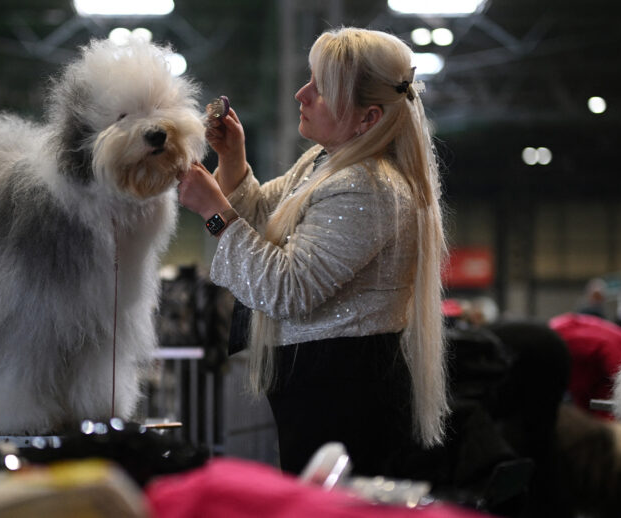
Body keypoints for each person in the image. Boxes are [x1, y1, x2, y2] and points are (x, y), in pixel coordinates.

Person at [176, 26, 448, 476]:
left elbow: (287, 289)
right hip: (320, 380)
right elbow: (265, 220)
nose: (301, 94)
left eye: (321, 89)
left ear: (369, 118)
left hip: (342, 389)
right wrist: (233, 160)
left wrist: (213, 211)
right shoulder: (324, 163)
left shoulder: (366, 186)